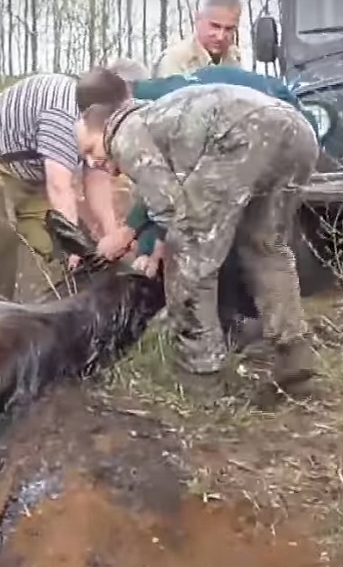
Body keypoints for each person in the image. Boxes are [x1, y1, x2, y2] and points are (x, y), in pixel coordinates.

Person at [75, 85, 320, 392]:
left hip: (243, 136)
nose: (92, 162)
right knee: (265, 246)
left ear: (105, 129)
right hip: (297, 132)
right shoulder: (155, 118)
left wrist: (161, 253)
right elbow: (171, 206)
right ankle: (294, 352)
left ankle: (200, 377)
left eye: (90, 150)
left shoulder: (125, 134)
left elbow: (171, 211)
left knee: (190, 257)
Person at [0, 72, 124, 304]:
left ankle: (75, 313)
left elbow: (96, 178)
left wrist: (112, 237)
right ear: (91, 116)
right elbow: (59, 187)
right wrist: (71, 243)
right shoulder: (63, 115)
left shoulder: (98, 120)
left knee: (85, 254)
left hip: (28, 178)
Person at [154, 0, 244, 76]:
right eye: (215, 26)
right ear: (198, 20)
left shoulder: (234, 57)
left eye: (229, 29)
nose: (220, 37)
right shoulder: (174, 60)